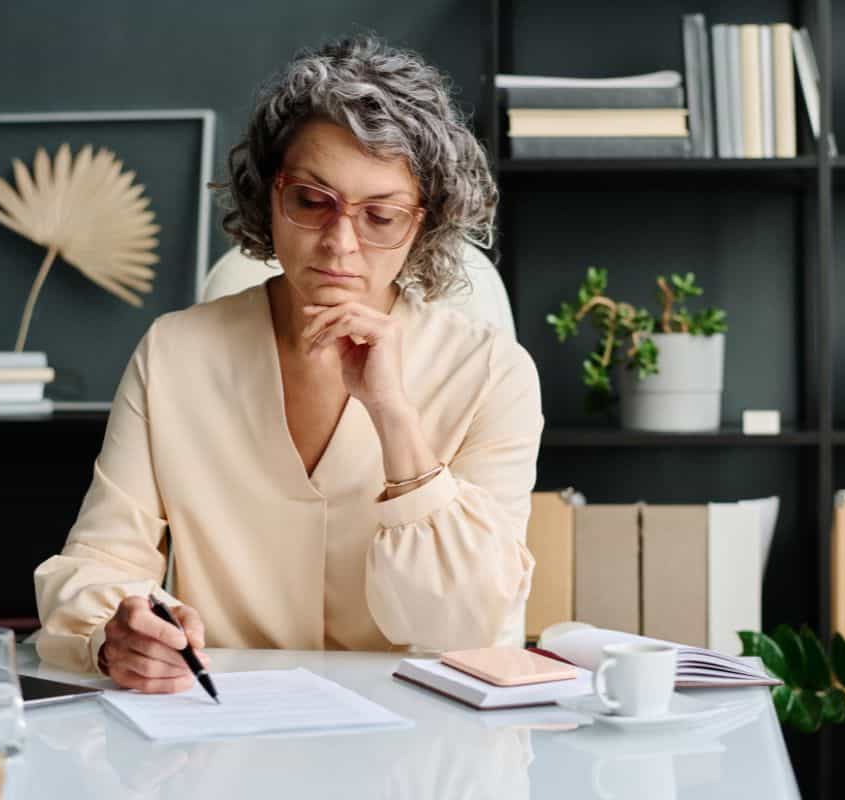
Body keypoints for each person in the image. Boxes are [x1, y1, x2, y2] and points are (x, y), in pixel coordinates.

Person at [33, 36, 542, 693]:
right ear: (270, 196)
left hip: (417, 747)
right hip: (223, 730)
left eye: (380, 215)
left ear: (423, 225)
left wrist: (395, 420)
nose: (340, 243)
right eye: (311, 202)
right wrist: (114, 637)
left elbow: (462, 625)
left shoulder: (492, 373)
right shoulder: (175, 354)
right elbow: (100, 561)